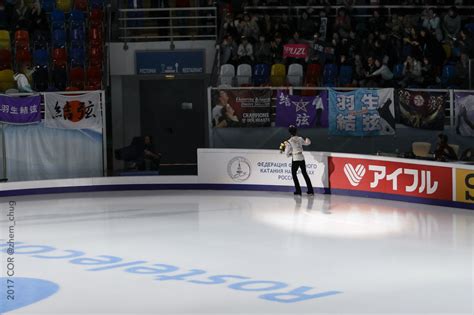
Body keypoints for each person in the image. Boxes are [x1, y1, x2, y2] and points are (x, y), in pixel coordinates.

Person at [284, 125, 314, 196]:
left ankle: (298, 190)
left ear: (290, 132)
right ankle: (310, 190)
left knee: (294, 174)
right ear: (296, 131)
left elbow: (287, 153)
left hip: (295, 159)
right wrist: (308, 140)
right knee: (305, 174)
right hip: (301, 157)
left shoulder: (289, 141)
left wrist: (289, 155)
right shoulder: (300, 138)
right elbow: (307, 143)